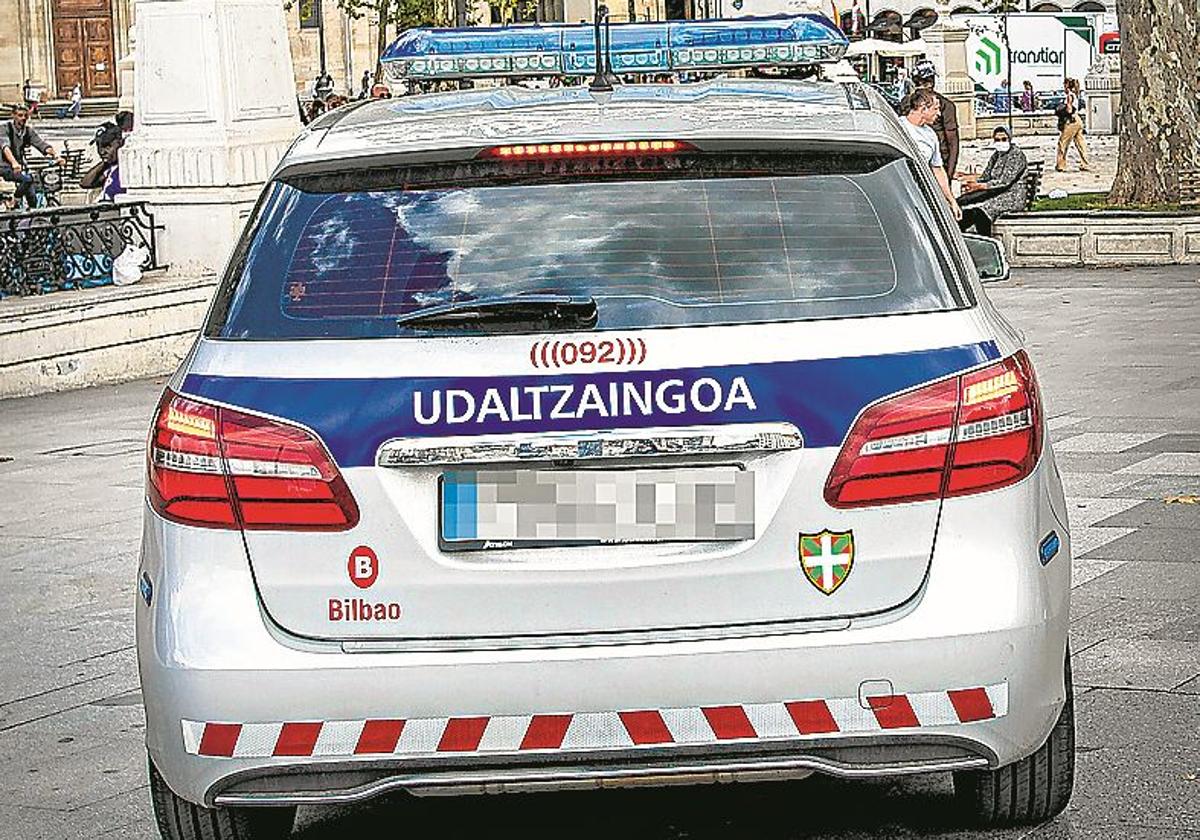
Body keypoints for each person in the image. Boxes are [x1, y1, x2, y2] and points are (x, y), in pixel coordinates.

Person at [958, 125, 1028, 237]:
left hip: (1012, 196)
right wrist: (972, 184)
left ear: (1009, 139)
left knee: (981, 211)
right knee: (964, 208)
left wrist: (981, 186)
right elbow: (986, 176)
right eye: (997, 140)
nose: (1001, 142)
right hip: (995, 194)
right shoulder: (996, 155)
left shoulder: (1016, 154)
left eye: (1004, 139)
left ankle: (987, 242)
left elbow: (1005, 182)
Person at [904, 89, 960, 220]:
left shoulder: (930, 135)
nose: (939, 114)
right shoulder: (899, 127)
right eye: (935, 109)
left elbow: (938, 169)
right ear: (923, 109)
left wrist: (951, 200)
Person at [900, 60, 960, 180]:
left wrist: (948, 176)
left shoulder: (944, 105)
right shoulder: (907, 102)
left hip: (937, 163)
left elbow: (952, 143)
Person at [1, 104, 63, 209]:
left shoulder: (27, 131)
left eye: (26, 116)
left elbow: (40, 144)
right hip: (3, 166)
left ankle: (32, 216)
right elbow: (5, 147)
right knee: (27, 180)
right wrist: (14, 163)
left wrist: (56, 155)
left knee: (31, 192)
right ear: (13, 116)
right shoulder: (5, 129)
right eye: (20, 115)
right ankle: (14, 201)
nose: (23, 119)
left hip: (18, 167)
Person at [1055, 77, 1090, 172]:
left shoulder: (1069, 96)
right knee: (1080, 143)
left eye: (1064, 85)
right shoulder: (1076, 95)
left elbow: (1069, 110)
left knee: (1063, 142)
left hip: (1071, 121)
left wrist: (1062, 109)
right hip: (1078, 120)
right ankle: (1085, 163)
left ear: (1067, 85)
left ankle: (1061, 165)